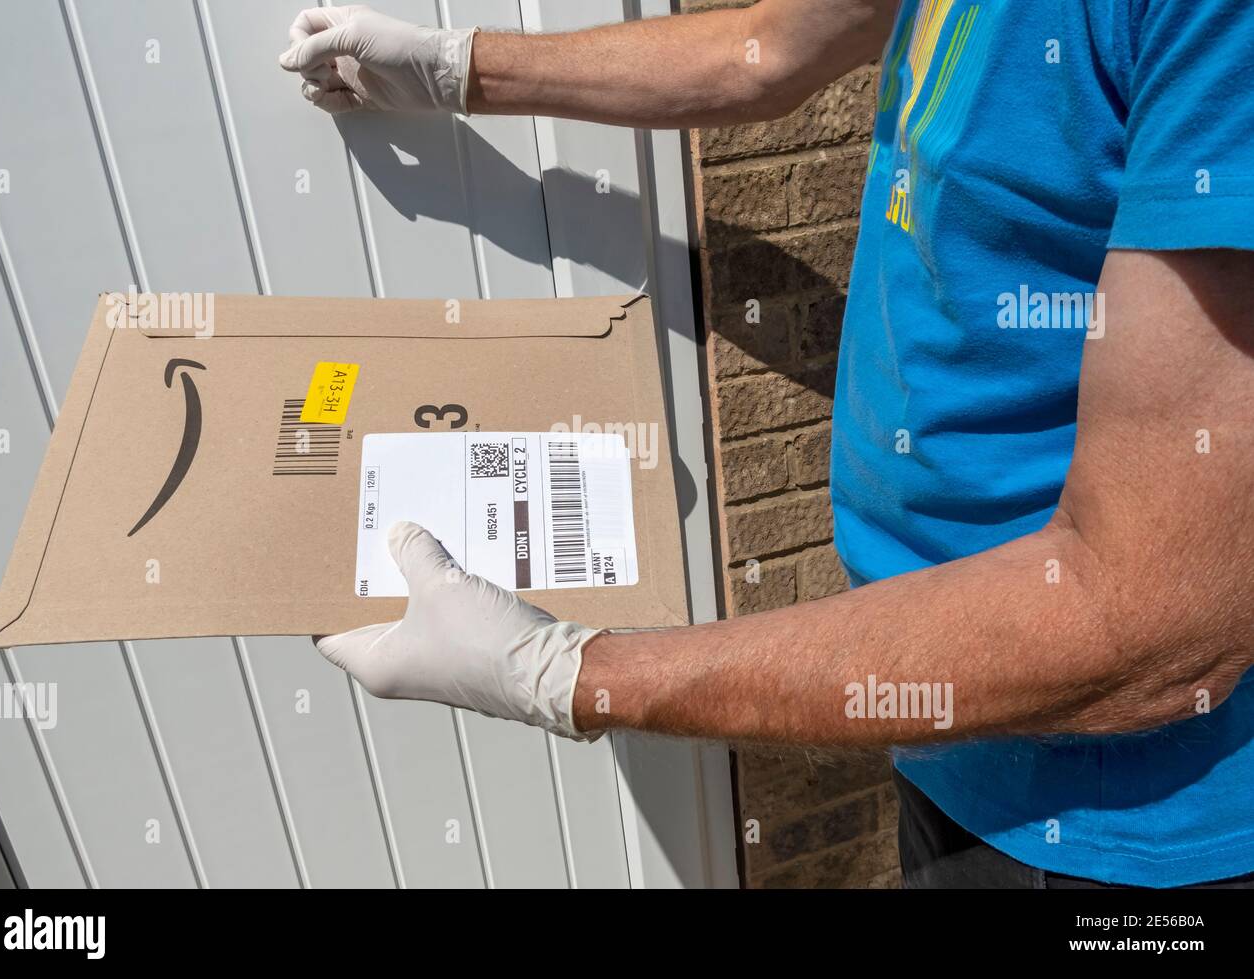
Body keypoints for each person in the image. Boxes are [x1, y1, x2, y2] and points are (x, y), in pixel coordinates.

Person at [279, 1, 1254, 889]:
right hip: (955, 729)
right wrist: (459, 69)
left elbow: (1146, 616)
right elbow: (767, 52)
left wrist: (569, 673)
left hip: (1135, 831)